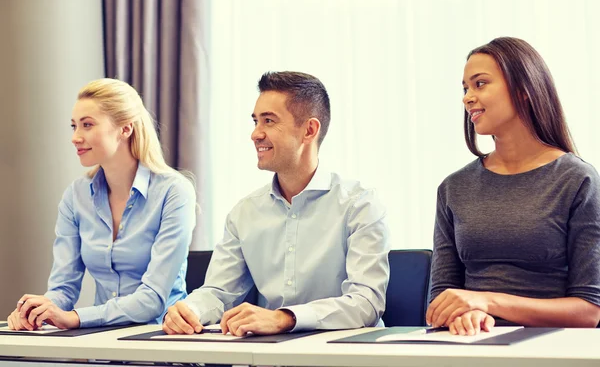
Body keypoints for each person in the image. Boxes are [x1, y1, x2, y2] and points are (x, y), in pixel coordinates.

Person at [162, 71, 390, 336]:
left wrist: (285, 318)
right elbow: (219, 292)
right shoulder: (244, 213)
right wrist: (190, 310)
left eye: (269, 121)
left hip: (342, 357)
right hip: (266, 356)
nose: (255, 134)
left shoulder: (360, 205)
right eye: (256, 121)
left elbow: (366, 303)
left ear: (309, 130)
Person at [426, 37, 600, 336]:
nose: (467, 98)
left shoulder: (577, 180)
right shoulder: (454, 188)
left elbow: (589, 311)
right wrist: (461, 316)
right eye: (465, 88)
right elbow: (441, 300)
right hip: (470, 347)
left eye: (480, 84)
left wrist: (487, 302)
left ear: (523, 91)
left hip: (551, 349)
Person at [6, 78, 196, 330]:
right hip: (99, 342)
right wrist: (38, 310)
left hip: (161, 339)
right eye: (74, 126)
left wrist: (76, 318)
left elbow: (152, 300)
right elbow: (63, 288)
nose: (75, 137)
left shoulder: (174, 191)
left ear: (125, 129)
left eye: (87, 125)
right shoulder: (76, 196)